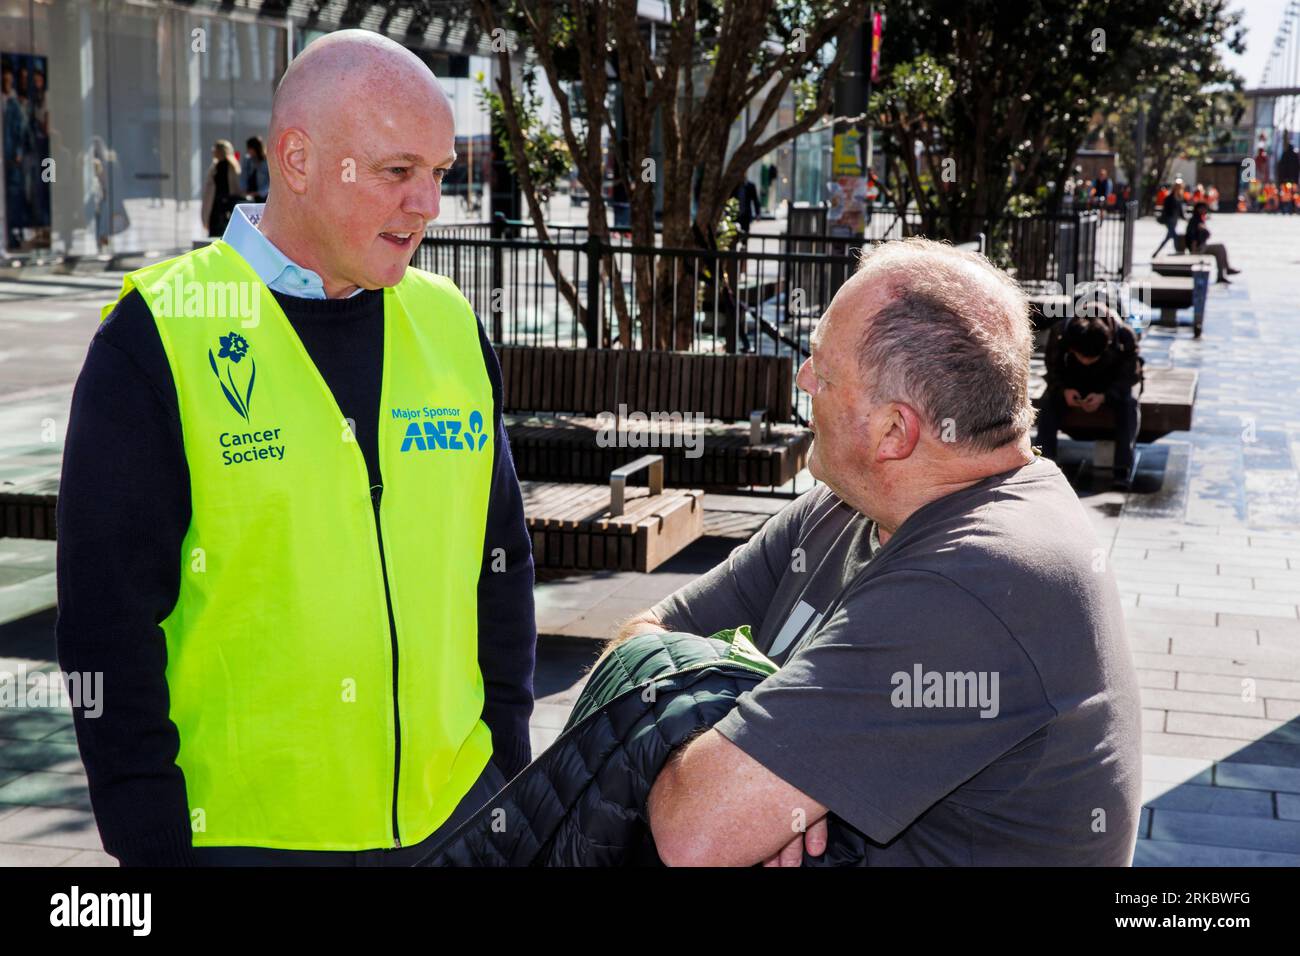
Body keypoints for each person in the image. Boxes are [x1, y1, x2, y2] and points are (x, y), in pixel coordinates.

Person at [57, 29, 537, 866]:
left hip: (457, 819)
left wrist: (506, 769)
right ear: (299, 159)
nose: (427, 205)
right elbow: (106, 623)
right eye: (397, 172)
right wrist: (151, 837)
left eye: (438, 174)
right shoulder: (158, 335)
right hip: (247, 841)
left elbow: (502, 563)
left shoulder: (451, 323)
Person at [612, 239, 1142, 866]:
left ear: (894, 430)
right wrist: (768, 768)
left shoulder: (976, 579)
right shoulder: (842, 507)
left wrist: (754, 773)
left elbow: (692, 832)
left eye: (822, 370)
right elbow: (640, 641)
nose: (803, 379)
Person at [1035, 303, 1144, 489]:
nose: (1086, 362)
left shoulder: (1124, 336)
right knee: (1048, 403)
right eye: (1081, 357)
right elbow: (1052, 368)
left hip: (1110, 383)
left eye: (1091, 359)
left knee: (1129, 403)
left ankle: (1122, 469)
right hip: (1072, 381)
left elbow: (1129, 376)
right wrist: (1063, 390)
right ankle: (1042, 465)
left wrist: (1105, 396)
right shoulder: (1061, 332)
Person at [1186, 201, 1241, 284]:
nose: (1206, 210)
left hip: (1201, 246)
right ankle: (1226, 270)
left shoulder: (1198, 219)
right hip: (1198, 248)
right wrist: (1194, 250)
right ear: (1198, 209)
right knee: (1220, 248)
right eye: (1204, 208)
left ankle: (1221, 275)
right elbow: (1193, 237)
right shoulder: (1195, 220)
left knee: (1220, 250)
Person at [201, 139, 241, 237]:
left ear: (220, 151)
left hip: (221, 206)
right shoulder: (218, 165)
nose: (212, 151)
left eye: (215, 149)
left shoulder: (226, 166)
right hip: (219, 204)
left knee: (219, 233)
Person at [1151, 177, 1185, 257]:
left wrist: (1184, 217)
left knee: (1168, 237)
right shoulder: (1169, 198)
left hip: (1175, 220)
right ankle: (1179, 252)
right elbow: (1166, 209)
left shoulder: (1179, 197)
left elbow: (1180, 210)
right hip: (1169, 220)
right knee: (1175, 236)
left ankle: (1156, 253)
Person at [241, 135, 270, 202]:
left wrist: (259, 193)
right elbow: (243, 176)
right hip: (249, 195)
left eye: (249, 148)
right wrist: (244, 191)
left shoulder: (266, 161)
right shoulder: (247, 160)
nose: (248, 150)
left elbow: (271, 182)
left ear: (255, 148)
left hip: (263, 196)